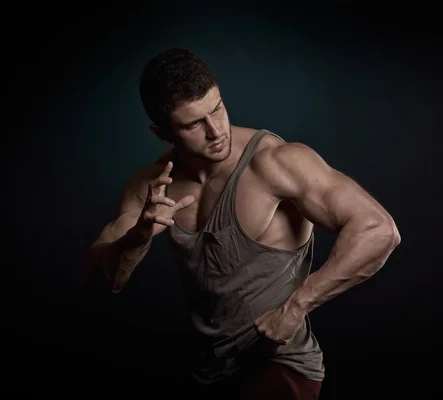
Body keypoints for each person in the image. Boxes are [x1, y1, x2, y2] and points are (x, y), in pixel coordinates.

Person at [84, 48, 401, 399]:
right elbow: (100, 284)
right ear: (162, 133)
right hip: (207, 372)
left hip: (279, 367)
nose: (215, 130)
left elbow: (378, 230)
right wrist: (137, 237)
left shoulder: (274, 162)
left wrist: (296, 306)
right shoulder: (151, 186)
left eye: (217, 108)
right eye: (193, 124)